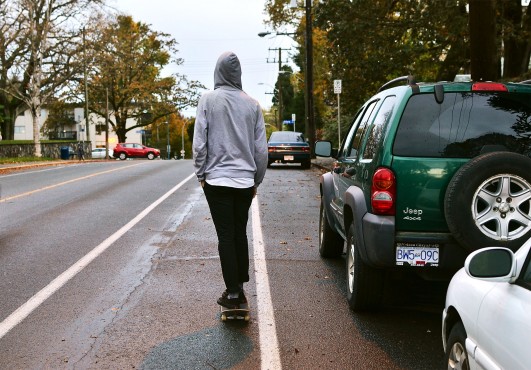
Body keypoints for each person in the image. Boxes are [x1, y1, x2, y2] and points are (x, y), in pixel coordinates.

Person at [193, 51, 268, 309]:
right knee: (238, 232)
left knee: (225, 234)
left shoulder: (208, 100)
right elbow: (261, 150)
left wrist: (201, 174)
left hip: (217, 180)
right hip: (245, 182)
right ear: (238, 75)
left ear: (218, 72)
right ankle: (240, 286)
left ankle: (233, 292)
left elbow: (199, 143)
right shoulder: (252, 104)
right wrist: (256, 179)